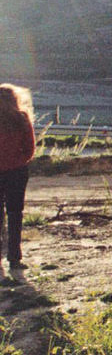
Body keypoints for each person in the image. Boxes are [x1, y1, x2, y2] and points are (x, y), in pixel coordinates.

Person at [0, 84, 35, 278]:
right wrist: (17, 161)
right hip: (16, 172)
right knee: (15, 214)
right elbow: (30, 149)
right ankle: (15, 258)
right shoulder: (21, 118)